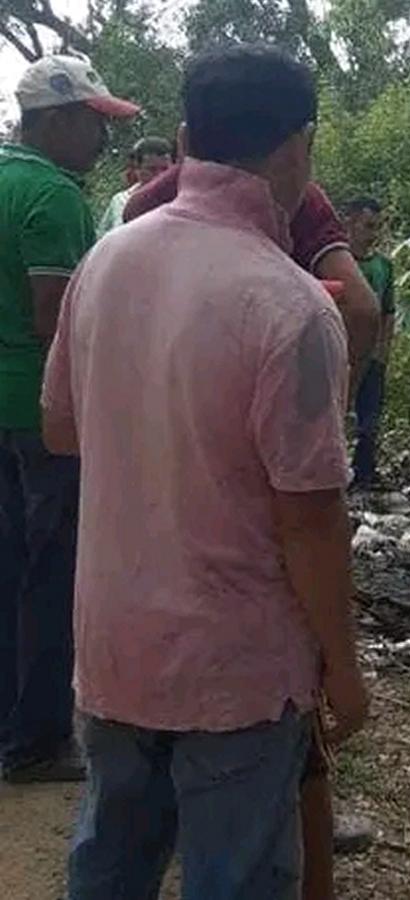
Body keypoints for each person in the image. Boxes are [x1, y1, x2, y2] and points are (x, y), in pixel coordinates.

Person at [43, 44, 369, 899]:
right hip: (236, 670)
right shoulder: (293, 306)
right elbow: (310, 520)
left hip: (114, 646)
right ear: (297, 148)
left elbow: (62, 431)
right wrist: (343, 666)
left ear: (185, 137)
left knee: (110, 863)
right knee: (236, 877)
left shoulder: (106, 263)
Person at [0, 55, 139, 784]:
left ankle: (9, 722)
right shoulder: (53, 196)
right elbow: (58, 321)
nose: (101, 143)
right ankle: (38, 740)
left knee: (7, 564)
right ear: (54, 120)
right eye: (94, 123)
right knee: (51, 574)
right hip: (39, 413)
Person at [125, 152, 381, 393]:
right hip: (267, 390)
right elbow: (362, 309)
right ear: (300, 144)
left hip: (161, 391)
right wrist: (336, 402)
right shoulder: (298, 198)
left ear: (186, 138)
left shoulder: (152, 200)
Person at [344, 198, 395, 489]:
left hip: (372, 355)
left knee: (369, 420)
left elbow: (389, 311)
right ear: (349, 222)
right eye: (367, 226)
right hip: (342, 354)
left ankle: (364, 474)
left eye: (377, 227)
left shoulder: (384, 267)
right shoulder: (336, 263)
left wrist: (383, 352)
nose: (372, 233)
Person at [95, 135, 173, 236]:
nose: (159, 175)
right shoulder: (120, 202)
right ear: (138, 169)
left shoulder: (179, 202)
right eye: (152, 169)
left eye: (164, 169)